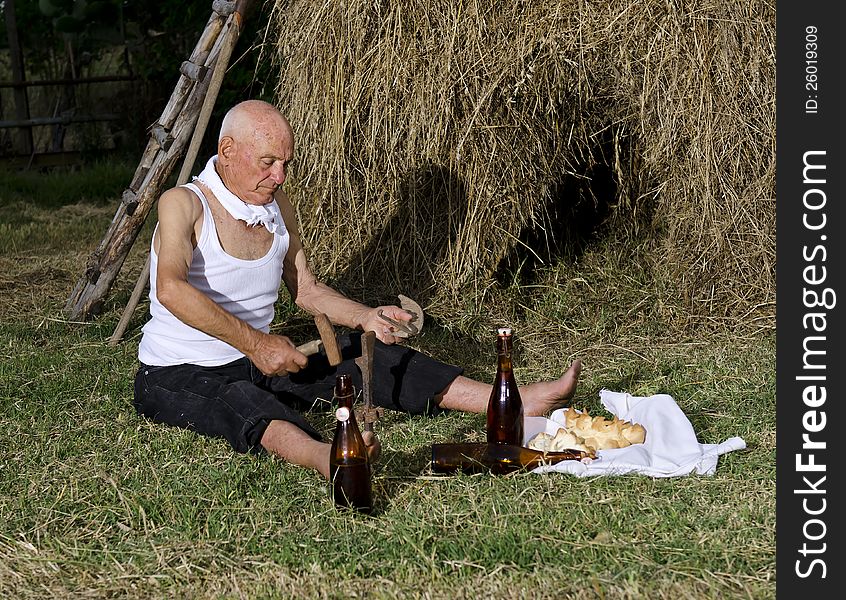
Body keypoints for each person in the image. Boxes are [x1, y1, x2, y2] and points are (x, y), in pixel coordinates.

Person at [133, 99, 582, 479]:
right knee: (241, 403)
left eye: (286, 164)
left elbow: (306, 289)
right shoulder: (184, 204)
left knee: (368, 353)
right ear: (227, 150)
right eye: (268, 162)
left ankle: (512, 400)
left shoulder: (276, 206)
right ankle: (330, 458)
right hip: (179, 372)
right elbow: (171, 289)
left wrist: (366, 317)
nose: (280, 176)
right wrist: (255, 343)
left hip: (263, 360)